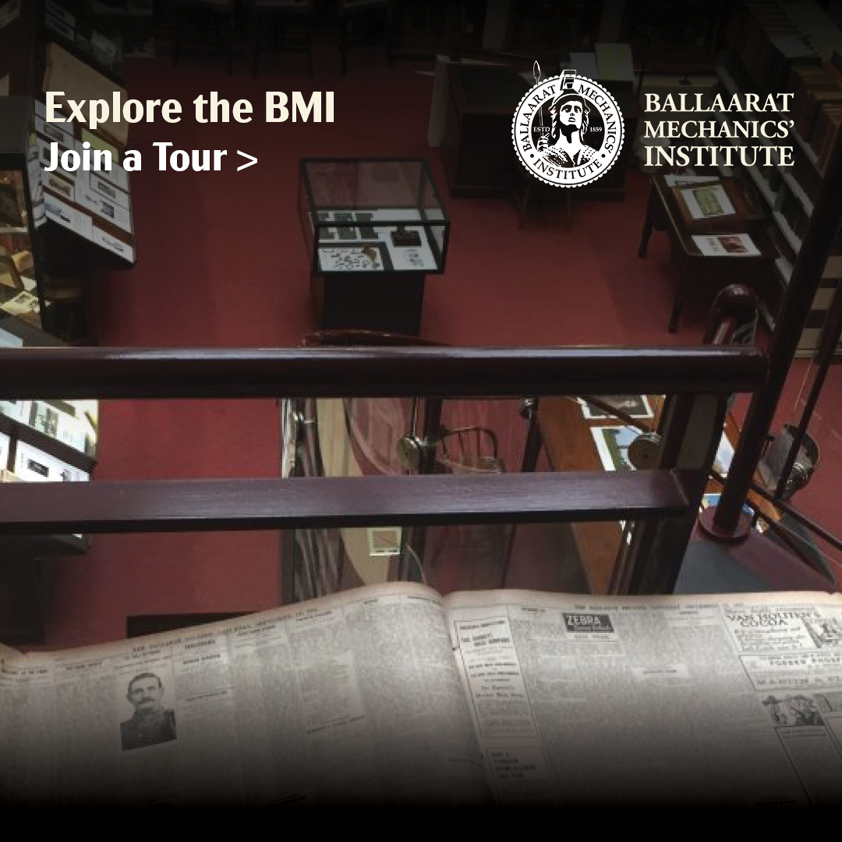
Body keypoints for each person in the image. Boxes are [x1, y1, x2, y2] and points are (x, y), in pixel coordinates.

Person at [537, 90, 597, 168]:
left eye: (577, 110)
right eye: (567, 109)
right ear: (557, 115)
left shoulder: (594, 156)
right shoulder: (546, 155)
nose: (572, 112)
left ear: (583, 118)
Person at [120, 672, 177, 751]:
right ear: (129, 698)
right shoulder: (122, 731)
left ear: (161, 691)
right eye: (138, 691)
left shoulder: (176, 719)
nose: (145, 695)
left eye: (151, 689)